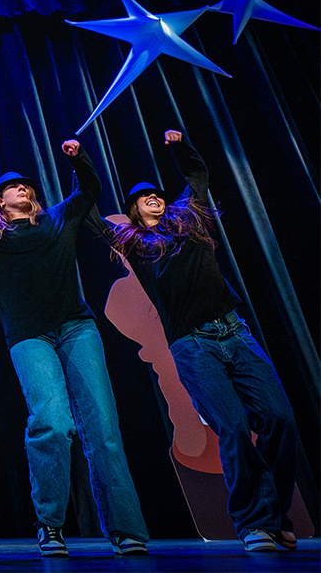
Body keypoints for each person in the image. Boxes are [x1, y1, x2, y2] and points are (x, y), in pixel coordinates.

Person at [0, 141, 149, 557]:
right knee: (52, 423)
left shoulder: (58, 218)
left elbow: (89, 190)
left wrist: (76, 158)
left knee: (103, 428)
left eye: (29, 187)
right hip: (29, 336)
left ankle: (126, 530)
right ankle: (50, 524)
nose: (25, 190)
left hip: (76, 328)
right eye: (16, 188)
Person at [88, 130, 298, 553]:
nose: (154, 198)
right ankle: (255, 522)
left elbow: (198, 175)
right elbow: (91, 216)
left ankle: (274, 515)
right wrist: (79, 163)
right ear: (132, 210)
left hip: (234, 331)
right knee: (234, 427)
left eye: (158, 195)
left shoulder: (189, 221)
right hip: (192, 345)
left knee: (279, 420)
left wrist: (179, 145)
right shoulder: (136, 244)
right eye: (145, 197)